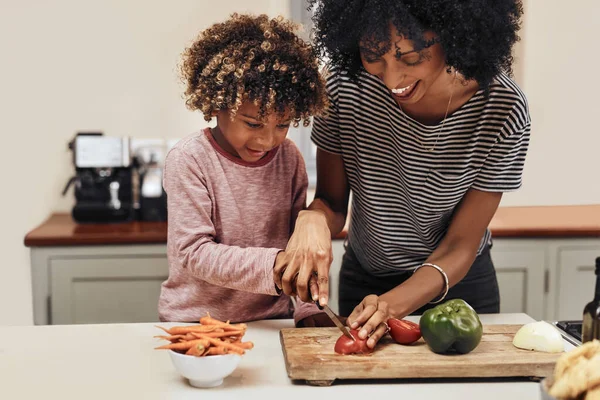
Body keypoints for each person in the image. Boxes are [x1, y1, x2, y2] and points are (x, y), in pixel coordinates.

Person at [274, 0, 530, 346]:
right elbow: (332, 203)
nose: (392, 79)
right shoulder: (344, 89)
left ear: (454, 37)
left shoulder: (502, 108)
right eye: (373, 55)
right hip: (365, 280)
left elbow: (459, 245)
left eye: (410, 57)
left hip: (458, 288)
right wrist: (311, 219)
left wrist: (393, 304)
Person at [158, 13, 327, 324]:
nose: (267, 140)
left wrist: (309, 310)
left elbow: (298, 248)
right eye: (253, 123)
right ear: (216, 104)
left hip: (271, 320)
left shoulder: (289, 159)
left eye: (283, 125)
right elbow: (194, 252)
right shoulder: (189, 159)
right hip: (196, 323)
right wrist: (276, 264)